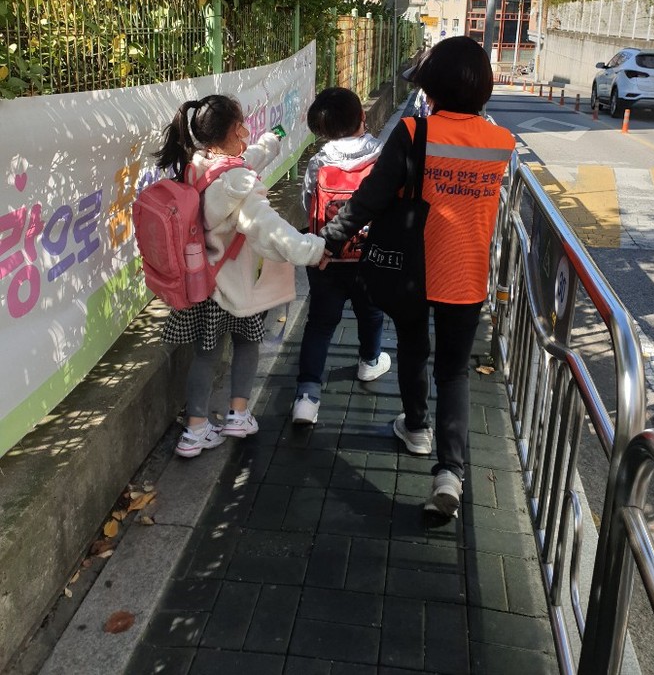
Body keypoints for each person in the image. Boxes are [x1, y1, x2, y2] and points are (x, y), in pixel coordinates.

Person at [320, 37, 515, 516]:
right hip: (466, 272)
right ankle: (450, 473)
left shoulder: (413, 131)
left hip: (413, 267)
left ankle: (416, 428)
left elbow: (371, 198)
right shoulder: (502, 142)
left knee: (413, 347)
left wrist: (329, 241)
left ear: (433, 88)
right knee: (454, 371)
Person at [154, 94, 326, 458]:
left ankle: (195, 430)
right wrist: (312, 249)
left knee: (205, 355)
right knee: (247, 344)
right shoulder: (238, 184)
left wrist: (272, 140)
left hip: (202, 284)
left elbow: (244, 163)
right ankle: (238, 415)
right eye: (243, 126)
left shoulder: (195, 165)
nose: (247, 132)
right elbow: (268, 227)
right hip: (237, 286)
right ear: (234, 130)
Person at [293, 88, 391, 425]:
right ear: (362, 116)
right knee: (371, 313)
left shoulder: (319, 162)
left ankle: (306, 397)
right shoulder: (382, 155)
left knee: (320, 324)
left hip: (325, 258)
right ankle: (369, 362)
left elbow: (308, 203)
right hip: (370, 258)